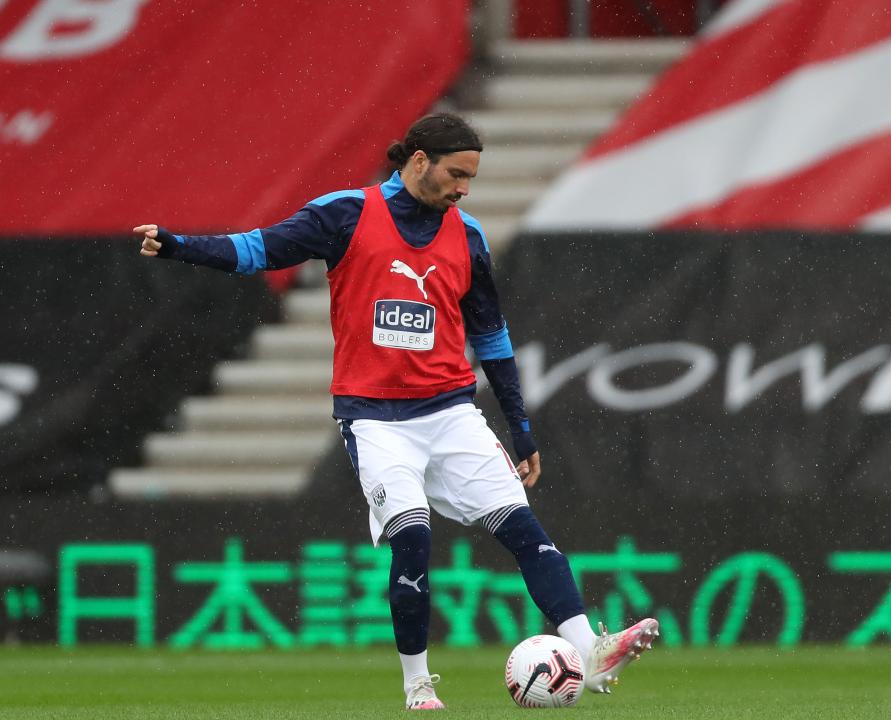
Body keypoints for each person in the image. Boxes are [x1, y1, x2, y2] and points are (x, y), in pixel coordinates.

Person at [134, 112, 658, 710]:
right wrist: (179, 247)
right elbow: (260, 250)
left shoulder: (469, 236)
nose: (463, 188)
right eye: (455, 174)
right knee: (414, 539)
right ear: (416, 161)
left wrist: (521, 427)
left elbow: (492, 339)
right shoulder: (346, 215)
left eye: (472, 178)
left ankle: (587, 651)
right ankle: (416, 683)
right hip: (375, 419)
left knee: (526, 532)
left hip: (451, 412)